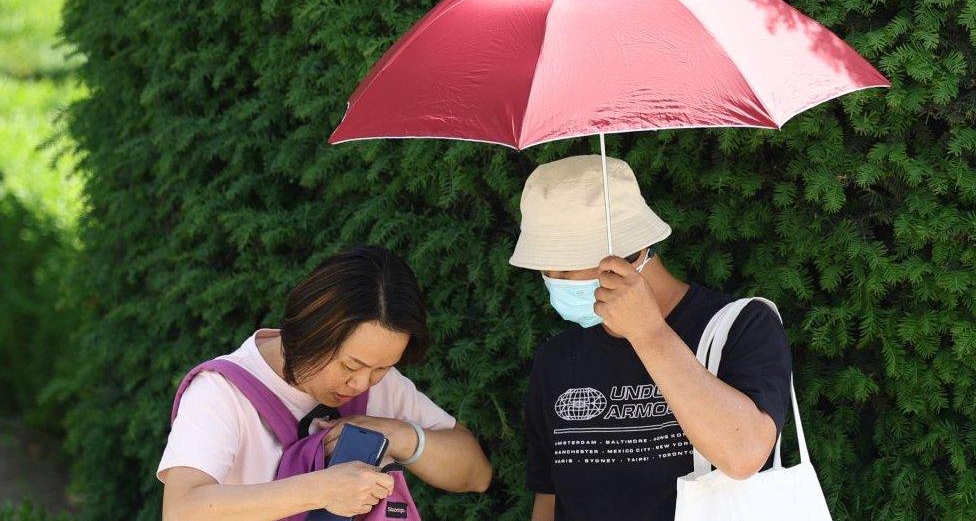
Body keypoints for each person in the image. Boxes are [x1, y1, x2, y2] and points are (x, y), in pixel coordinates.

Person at [511, 155, 792, 520]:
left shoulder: (740, 326)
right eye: (545, 267)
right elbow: (549, 496)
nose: (554, 280)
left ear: (633, 252)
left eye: (565, 264)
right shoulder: (558, 358)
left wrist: (649, 333)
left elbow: (745, 454)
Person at [158, 245, 492, 520]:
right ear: (311, 330)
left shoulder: (379, 384)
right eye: (351, 365)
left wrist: (400, 436)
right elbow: (181, 509)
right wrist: (322, 489)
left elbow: (476, 474)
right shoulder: (220, 393)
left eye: (382, 368)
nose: (362, 383)